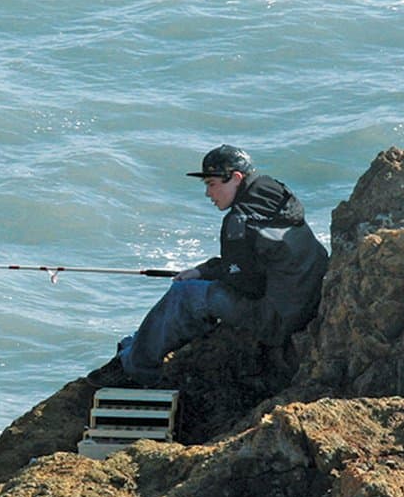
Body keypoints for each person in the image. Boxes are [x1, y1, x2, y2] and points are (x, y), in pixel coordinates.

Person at [117, 145, 329, 384]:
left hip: (278, 322)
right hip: (309, 303)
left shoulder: (238, 222)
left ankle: (136, 367)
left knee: (184, 294)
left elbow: (245, 286)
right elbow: (254, 264)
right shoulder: (275, 193)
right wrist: (202, 271)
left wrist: (206, 276)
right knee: (199, 288)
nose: (208, 193)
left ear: (236, 178)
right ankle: (138, 345)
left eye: (212, 184)